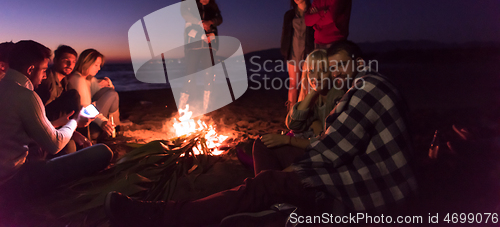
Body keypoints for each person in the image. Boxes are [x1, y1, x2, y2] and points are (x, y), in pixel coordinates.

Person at [105, 40, 417, 226]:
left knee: (262, 183)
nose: (335, 74)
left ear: (358, 63)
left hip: (366, 187)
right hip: (350, 167)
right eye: (331, 68)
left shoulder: (366, 87)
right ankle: (276, 203)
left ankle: (160, 216)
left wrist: (291, 170)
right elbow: (313, 133)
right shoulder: (364, 85)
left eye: (340, 67)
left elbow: (331, 149)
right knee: (262, 152)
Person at [0, 41, 112, 207]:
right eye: (44, 70)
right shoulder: (26, 96)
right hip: (14, 180)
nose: (45, 76)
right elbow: (55, 144)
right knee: (103, 152)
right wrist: (75, 122)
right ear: (30, 70)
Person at [253, 49, 345, 175]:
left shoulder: (338, 99)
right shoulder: (316, 97)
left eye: (323, 71)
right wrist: (311, 93)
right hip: (310, 148)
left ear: (332, 72)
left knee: (272, 171)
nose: (316, 77)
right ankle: (268, 182)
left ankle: (268, 183)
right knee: (261, 142)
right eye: (311, 71)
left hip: (323, 158)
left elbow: (328, 146)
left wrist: (287, 140)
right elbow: (292, 124)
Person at [179, 0, 223, 113]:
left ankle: (206, 108)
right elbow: (186, 19)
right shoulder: (189, 5)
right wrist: (200, 27)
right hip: (193, 46)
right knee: (189, 75)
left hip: (209, 47)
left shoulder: (213, 7)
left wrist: (210, 23)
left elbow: (219, 19)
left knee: (209, 76)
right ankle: (182, 107)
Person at [67, 49, 119, 140]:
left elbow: (99, 88)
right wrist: (103, 122)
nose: (99, 68)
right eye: (96, 65)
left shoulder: (85, 79)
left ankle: (115, 124)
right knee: (111, 94)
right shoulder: (78, 80)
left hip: (87, 122)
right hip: (86, 128)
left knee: (111, 92)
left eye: (99, 65)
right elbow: (86, 108)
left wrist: (108, 84)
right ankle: (114, 125)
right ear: (86, 63)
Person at [280, 0, 315, 110]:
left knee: (306, 86)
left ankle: (304, 114)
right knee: (293, 85)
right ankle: (291, 116)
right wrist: (284, 51)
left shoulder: (312, 12)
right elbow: (285, 34)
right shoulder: (289, 15)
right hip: (293, 53)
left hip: (308, 54)